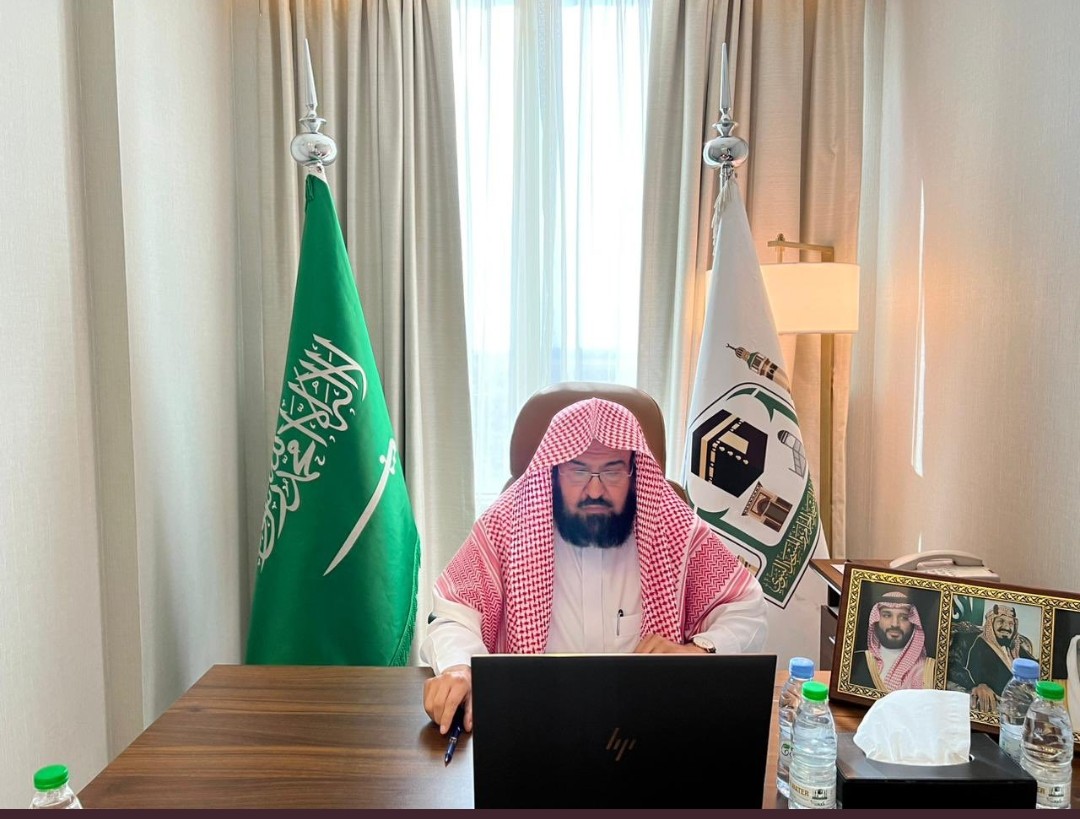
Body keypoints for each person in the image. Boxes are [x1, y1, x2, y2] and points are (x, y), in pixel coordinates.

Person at [421, 398, 768, 734]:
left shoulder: (671, 528)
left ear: (634, 473)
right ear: (554, 472)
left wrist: (700, 651)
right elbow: (452, 615)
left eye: (612, 471)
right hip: (532, 724)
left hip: (648, 727)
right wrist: (459, 667)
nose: (595, 489)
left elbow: (746, 608)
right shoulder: (507, 527)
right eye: (579, 470)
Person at [950, 604, 1036, 711]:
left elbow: (1036, 666)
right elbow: (954, 667)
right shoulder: (980, 646)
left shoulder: (1015, 647)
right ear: (991, 624)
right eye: (1001, 621)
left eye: (1011, 623)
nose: (1006, 627)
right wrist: (977, 686)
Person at [850, 588, 936, 692]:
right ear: (876, 620)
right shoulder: (855, 660)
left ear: (913, 623)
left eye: (904, 617)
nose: (895, 624)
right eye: (887, 615)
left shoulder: (929, 670)